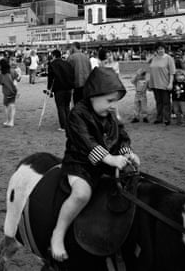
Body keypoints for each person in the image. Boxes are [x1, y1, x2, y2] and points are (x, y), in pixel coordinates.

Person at [50, 67, 140, 262]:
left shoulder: (110, 115)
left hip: (106, 164)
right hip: (80, 164)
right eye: (109, 101)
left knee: (132, 183)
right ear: (93, 95)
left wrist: (127, 153)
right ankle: (58, 233)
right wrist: (110, 158)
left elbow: (121, 137)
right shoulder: (77, 115)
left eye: (115, 101)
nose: (113, 105)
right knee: (82, 194)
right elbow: (85, 141)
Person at [148, 41, 175, 125]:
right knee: (158, 102)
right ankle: (159, 117)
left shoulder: (169, 58)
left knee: (166, 102)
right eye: (158, 49)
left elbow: (172, 72)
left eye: (162, 48)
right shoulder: (154, 58)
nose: (161, 50)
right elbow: (150, 67)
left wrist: (170, 83)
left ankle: (167, 119)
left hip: (165, 84)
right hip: (155, 84)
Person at [47, 49, 74, 131]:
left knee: (60, 107)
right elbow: (72, 74)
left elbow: (50, 78)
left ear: (54, 56)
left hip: (59, 88)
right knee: (66, 106)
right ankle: (69, 124)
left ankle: (63, 126)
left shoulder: (52, 64)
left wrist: (49, 89)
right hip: (68, 87)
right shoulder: (67, 63)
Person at [0, 58, 18, 127]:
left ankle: (7, 120)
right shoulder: (13, 71)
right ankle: (11, 121)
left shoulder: (1, 74)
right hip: (14, 91)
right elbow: (17, 79)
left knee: (6, 106)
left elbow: (0, 83)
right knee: (12, 106)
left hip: (6, 92)